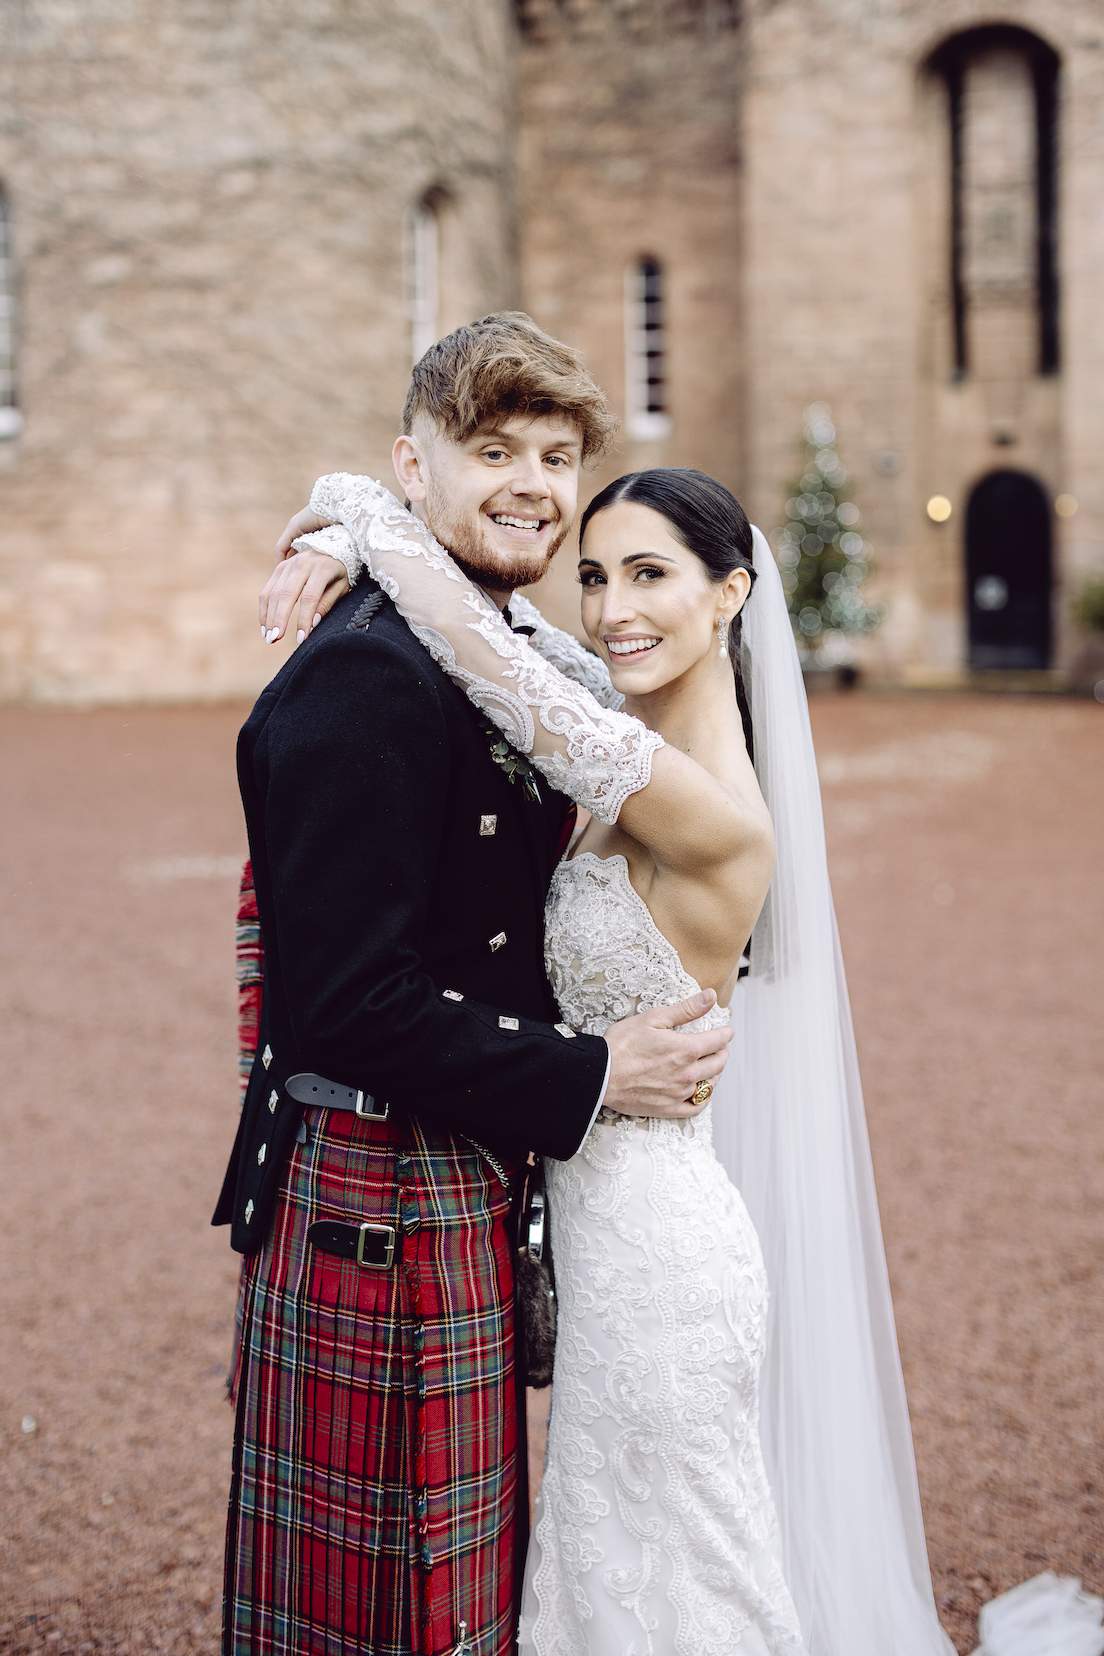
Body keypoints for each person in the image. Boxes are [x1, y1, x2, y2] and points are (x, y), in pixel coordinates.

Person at [262, 458, 959, 1656]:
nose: (611, 610)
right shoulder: (616, 726)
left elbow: (481, 652)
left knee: (681, 1589)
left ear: (730, 595)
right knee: (612, 1582)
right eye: (593, 577)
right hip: (586, 1240)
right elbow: (514, 639)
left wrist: (363, 510)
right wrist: (348, 530)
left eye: (648, 575)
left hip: (656, 1263)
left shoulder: (708, 807)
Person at [215, 314, 735, 1656]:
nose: (532, 485)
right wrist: (596, 1073)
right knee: (389, 1618)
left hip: (451, 1187)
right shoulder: (367, 676)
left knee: (449, 1607)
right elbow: (349, 1003)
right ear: (415, 467)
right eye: (492, 449)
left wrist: (348, 521)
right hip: (378, 1203)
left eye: (556, 458)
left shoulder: (485, 656)